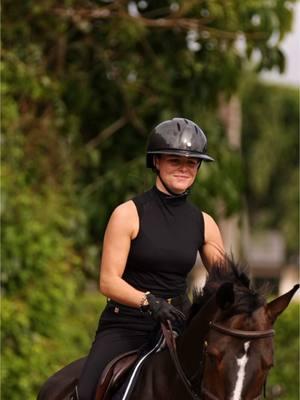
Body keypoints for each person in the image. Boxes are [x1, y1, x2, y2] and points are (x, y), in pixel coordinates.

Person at [74, 117, 225, 400]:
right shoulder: (128, 214)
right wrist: (150, 302)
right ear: (156, 162)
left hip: (180, 325)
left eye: (191, 163)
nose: (184, 168)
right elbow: (108, 281)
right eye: (174, 161)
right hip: (127, 323)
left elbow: (226, 282)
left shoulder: (204, 223)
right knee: (86, 393)